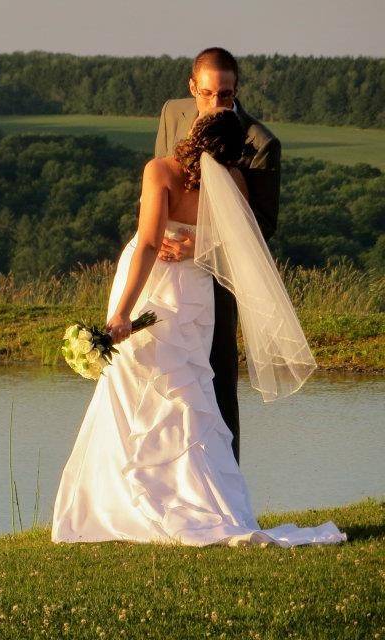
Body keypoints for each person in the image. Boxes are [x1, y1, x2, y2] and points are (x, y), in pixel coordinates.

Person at [49, 106, 347, 547]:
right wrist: (199, 244)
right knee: (188, 391)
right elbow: (239, 244)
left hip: (151, 286)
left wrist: (122, 314)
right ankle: (202, 501)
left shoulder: (160, 171)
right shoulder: (233, 180)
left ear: (194, 133)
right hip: (194, 296)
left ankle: (127, 502)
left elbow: (149, 243)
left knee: (132, 387)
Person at [152, 47, 281, 467]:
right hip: (168, 273)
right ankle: (170, 481)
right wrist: (161, 242)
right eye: (207, 93)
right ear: (193, 87)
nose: (215, 103)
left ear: (236, 90)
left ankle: (228, 490)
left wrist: (201, 244)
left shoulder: (259, 143)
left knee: (217, 379)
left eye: (225, 94)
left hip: (220, 277)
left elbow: (262, 226)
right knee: (164, 376)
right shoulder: (173, 113)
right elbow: (161, 188)